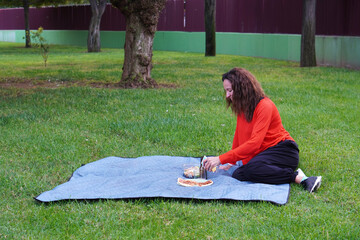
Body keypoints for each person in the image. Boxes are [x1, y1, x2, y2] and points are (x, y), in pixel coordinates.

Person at [202, 67, 322, 193]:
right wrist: (231, 162)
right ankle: (274, 171)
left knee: (251, 169)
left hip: (284, 151)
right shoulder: (242, 107)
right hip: (264, 154)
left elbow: (254, 144)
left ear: (242, 88)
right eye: (226, 91)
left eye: (230, 90)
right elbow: (239, 136)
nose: (227, 95)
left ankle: (300, 178)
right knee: (239, 174)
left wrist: (220, 159)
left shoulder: (265, 106)